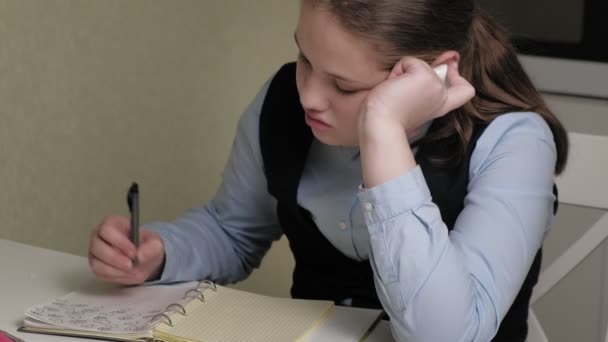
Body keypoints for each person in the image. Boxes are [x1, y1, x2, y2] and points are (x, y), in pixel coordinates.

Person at [87, 0, 569, 341]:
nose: (309, 96)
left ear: (435, 72)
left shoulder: (515, 142)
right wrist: (163, 252)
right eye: (304, 58)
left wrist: (383, 131)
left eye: (343, 84)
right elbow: (232, 230)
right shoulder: (284, 102)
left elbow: (447, 336)